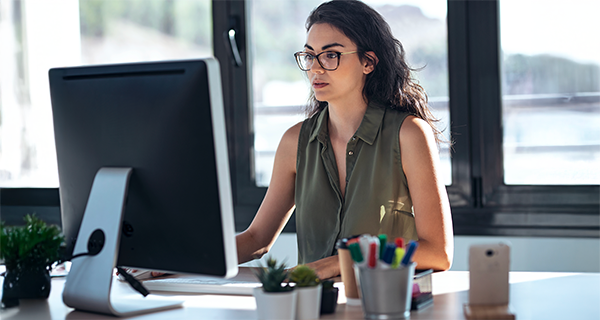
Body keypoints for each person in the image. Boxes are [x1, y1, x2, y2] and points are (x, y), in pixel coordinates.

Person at [236, 0, 453, 280]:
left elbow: (438, 252)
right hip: (314, 305)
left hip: (384, 304)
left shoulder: (409, 134)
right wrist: (180, 261)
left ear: (368, 62)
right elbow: (256, 239)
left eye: (331, 55)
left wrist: (338, 263)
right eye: (310, 55)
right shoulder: (294, 141)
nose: (316, 68)